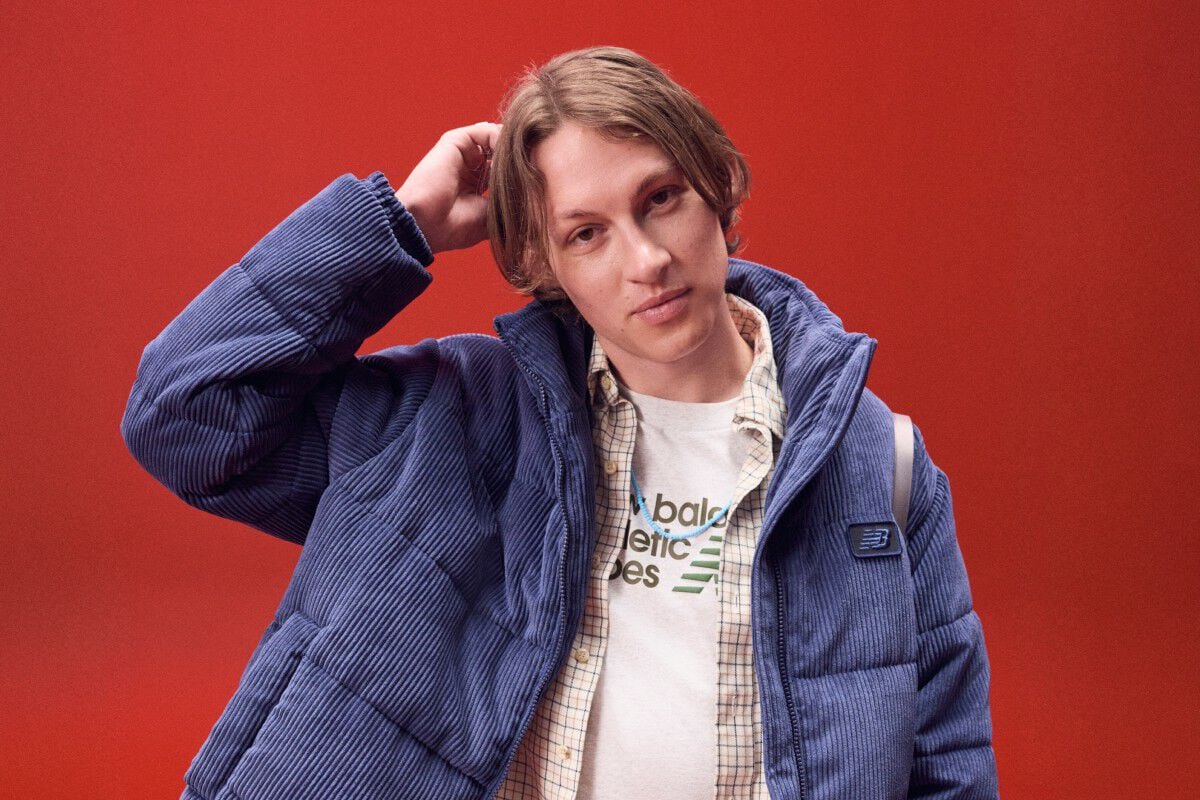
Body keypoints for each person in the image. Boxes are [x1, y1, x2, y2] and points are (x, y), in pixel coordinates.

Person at [121, 46, 998, 800]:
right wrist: (402, 226)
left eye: (661, 198)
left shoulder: (879, 467)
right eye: (587, 234)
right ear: (540, 262)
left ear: (719, 184)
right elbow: (187, 416)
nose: (647, 260)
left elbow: (947, 764)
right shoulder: (452, 418)